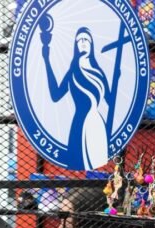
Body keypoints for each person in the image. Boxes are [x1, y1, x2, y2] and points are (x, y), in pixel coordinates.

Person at [42, 26, 110, 170]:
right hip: (79, 125)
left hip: (97, 125)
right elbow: (55, 95)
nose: (83, 42)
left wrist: (117, 79)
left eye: (86, 39)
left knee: (96, 162)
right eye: (79, 40)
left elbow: (110, 101)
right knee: (79, 161)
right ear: (76, 45)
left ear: (91, 44)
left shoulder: (99, 72)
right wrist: (47, 61)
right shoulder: (73, 72)